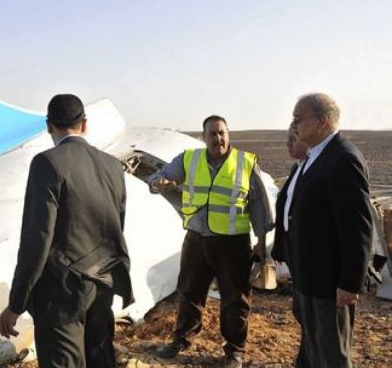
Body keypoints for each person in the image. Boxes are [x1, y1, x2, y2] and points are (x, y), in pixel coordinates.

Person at [0, 94, 133, 368]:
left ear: (49, 126)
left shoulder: (47, 163)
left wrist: (16, 303)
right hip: (102, 284)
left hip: (61, 293)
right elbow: (117, 225)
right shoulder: (111, 165)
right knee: (101, 361)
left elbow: (37, 238)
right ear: (85, 123)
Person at [151, 115, 273, 368]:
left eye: (221, 133)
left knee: (235, 297)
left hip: (232, 243)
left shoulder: (245, 162)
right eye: (212, 134)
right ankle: (181, 340)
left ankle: (235, 350)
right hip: (197, 240)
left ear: (228, 135)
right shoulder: (189, 159)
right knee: (189, 292)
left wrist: (261, 242)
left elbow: (259, 204)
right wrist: (158, 182)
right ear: (204, 137)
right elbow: (161, 177)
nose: (218, 138)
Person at [279, 93, 372, 367]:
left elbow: (357, 226)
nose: (294, 125)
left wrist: (350, 282)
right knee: (312, 349)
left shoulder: (342, 159)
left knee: (331, 356)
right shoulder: (314, 158)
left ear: (321, 121)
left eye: (298, 119)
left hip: (328, 284)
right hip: (308, 277)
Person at [271, 126, 308, 264]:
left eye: (293, 139)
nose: (288, 144)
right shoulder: (296, 167)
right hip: (293, 250)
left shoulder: (316, 170)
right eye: (288, 139)